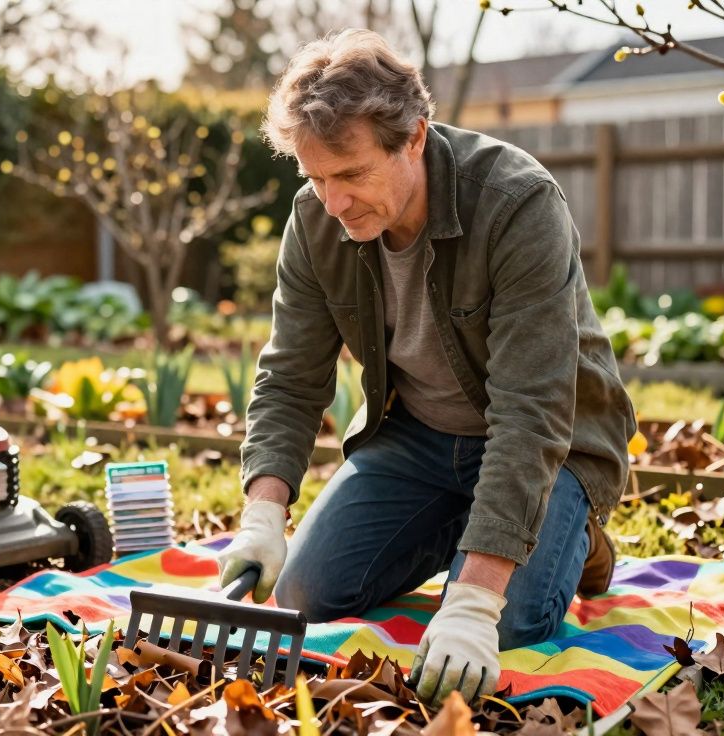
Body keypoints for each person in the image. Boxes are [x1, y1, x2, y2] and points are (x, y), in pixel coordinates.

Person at [216, 29, 638, 707]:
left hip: (552, 448)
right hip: (416, 439)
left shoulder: (517, 203)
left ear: (413, 138)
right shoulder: (316, 220)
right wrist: (263, 516)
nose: (334, 202)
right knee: (305, 594)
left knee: (507, 631)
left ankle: (577, 536)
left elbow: (533, 412)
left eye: (351, 174)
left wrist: (472, 600)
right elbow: (291, 376)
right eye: (315, 177)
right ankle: (475, 524)